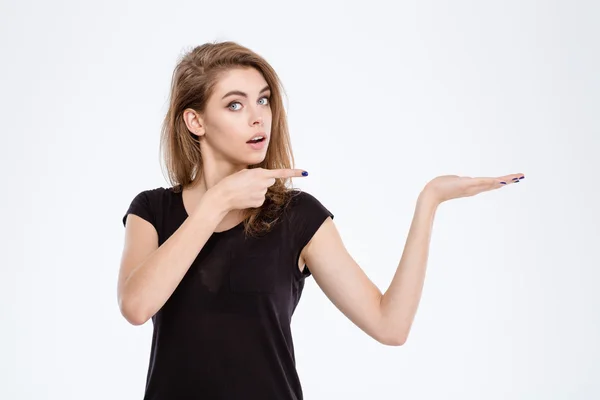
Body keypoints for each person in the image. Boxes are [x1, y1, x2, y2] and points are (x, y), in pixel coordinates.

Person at [118, 41, 524, 399]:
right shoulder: (153, 211)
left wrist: (429, 201)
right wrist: (215, 204)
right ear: (195, 121)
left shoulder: (297, 217)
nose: (259, 117)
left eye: (264, 100)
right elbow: (136, 306)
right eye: (235, 104)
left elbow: (390, 325)